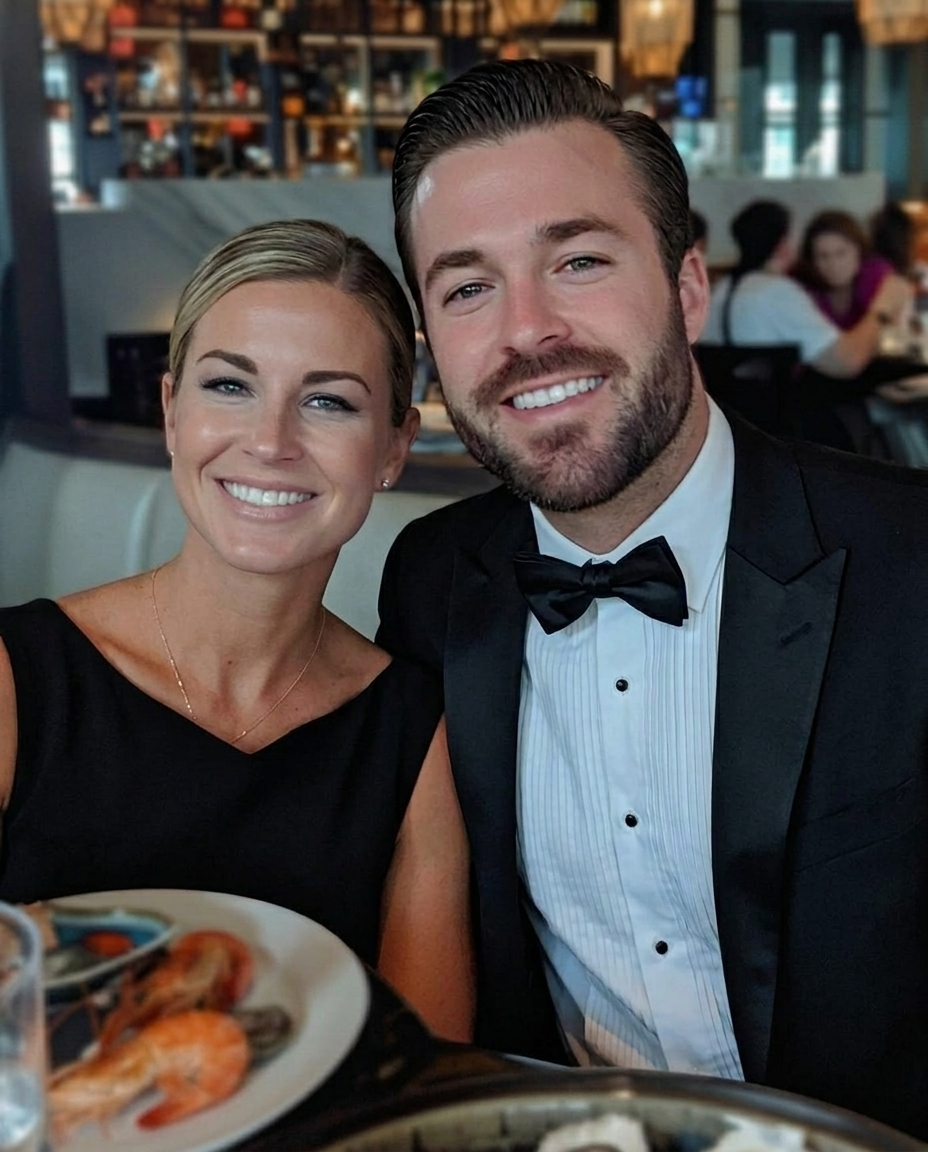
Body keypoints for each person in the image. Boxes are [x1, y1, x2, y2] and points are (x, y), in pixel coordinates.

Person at [378, 58, 928, 1139]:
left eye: (578, 260)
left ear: (686, 287)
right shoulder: (431, 582)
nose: (526, 330)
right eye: (467, 287)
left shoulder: (911, 560)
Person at [0, 220, 474, 1042]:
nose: (270, 441)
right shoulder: (17, 680)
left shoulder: (410, 731)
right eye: (229, 386)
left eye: (328, 401)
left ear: (394, 448)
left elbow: (427, 1079)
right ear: (170, 412)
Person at [701, 199, 911, 374]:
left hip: (727, 407)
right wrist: (881, 309)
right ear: (782, 246)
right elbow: (847, 362)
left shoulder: (719, 291)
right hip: (777, 409)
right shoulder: (778, 293)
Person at [793, 209, 896, 329]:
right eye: (823, 256)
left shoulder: (878, 275)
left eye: (841, 253)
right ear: (812, 261)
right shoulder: (800, 288)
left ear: (859, 251)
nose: (833, 264)